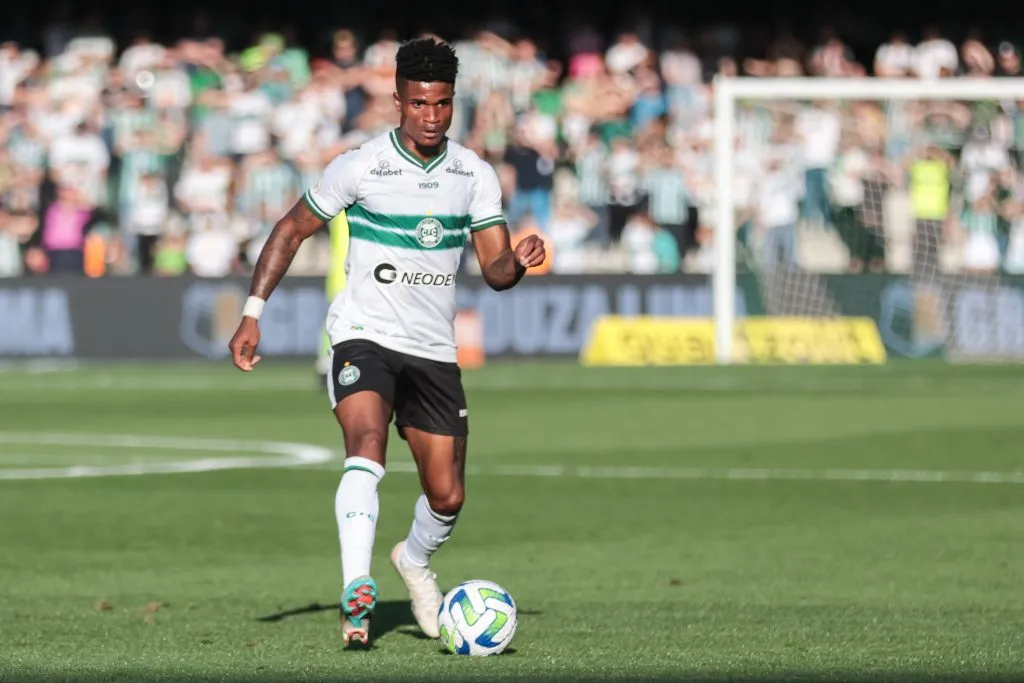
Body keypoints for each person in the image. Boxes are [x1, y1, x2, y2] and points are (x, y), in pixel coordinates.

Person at [227, 37, 546, 648]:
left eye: (443, 105)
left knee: (447, 495)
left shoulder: (472, 175)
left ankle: (415, 561)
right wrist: (252, 312)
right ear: (398, 100)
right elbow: (291, 229)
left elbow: (497, 272)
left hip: (432, 351)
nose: (432, 116)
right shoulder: (360, 165)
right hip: (363, 336)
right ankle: (357, 594)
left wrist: (520, 260)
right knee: (366, 445)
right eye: (420, 103)